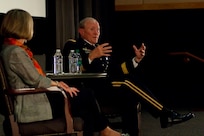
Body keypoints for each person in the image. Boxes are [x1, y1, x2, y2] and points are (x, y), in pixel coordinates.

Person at [0, 9, 129, 136]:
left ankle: (104, 131)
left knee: (84, 102)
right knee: (85, 95)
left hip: (38, 97)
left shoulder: (12, 49)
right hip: (33, 104)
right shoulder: (15, 52)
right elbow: (35, 80)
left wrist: (58, 84)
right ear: (23, 26)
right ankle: (105, 131)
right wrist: (57, 85)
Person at [63, 17, 195, 136]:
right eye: (92, 29)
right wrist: (91, 56)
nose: (96, 32)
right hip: (90, 89)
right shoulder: (73, 44)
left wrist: (136, 60)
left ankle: (130, 133)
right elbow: (70, 68)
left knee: (130, 95)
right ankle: (165, 114)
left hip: (107, 88)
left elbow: (117, 70)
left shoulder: (101, 47)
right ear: (81, 31)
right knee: (127, 83)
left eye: (98, 29)